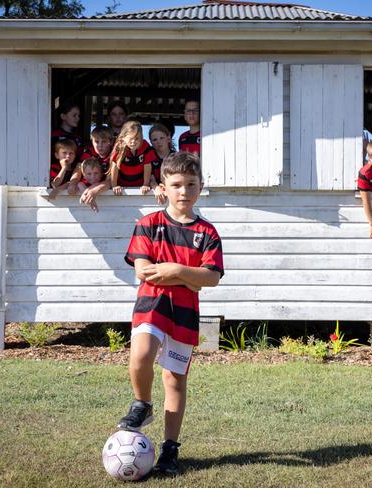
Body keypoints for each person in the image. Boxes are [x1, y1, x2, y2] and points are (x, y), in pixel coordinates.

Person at [120, 151, 224, 475]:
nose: (184, 191)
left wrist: (177, 269)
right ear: (163, 187)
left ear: (200, 186)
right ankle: (142, 404)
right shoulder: (148, 224)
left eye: (190, 184)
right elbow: (143, 271)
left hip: (184, 313)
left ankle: (169, 449)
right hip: (152, 303)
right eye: (176, 184)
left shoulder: (207, 233)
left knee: (174, 379)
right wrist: (188, 277)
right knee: (140, 355)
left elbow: (212, 278)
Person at [109, 121, 156, 195]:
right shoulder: (119, 147)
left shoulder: (145, 146)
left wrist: (145, 184)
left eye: (137, 138)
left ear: (141, 138)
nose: (133, 141)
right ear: (123, 137)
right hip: (122, 186)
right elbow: (114, 167)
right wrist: (114, 185)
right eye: (131, 138)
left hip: (140, 185)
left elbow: (147, 166)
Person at [69, 126, 113, 202]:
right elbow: (78, 170)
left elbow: (110, 181)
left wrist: (94, 190)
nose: (100, 145)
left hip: (104, 192)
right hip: (86, 187)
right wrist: (73, 183)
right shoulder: (89, 152)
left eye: (104, 141)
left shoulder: (113, 155)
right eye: (96, 141)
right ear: (92, 142)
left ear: (111, 142)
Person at [149, 123, 176, 205]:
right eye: (155, 140)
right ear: (151, 142)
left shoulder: (176, 157)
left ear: (168, 138)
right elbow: (151, 178)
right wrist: (156, 188)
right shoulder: (149, 157)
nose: (158, 142)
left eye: (161, 138)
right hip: (155, 194)